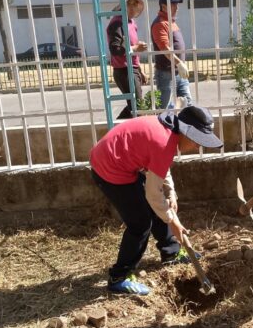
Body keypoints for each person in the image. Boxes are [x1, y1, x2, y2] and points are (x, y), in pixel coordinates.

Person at [89, 105, 222, 295]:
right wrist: (172, 221)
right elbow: (153, 194)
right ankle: (119, 277)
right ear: (186, 132)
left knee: (159, 207)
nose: (198, 146)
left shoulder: (168, 129)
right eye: (197, 141)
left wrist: (171, 192)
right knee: (140, 223)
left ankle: (171, 252)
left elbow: (160, 167)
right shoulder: (164, 142)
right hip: (109, 168)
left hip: (119, 161)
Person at [107, 0, 148, 120]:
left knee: (134, 105)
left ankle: (115, 129)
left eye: (135, 4)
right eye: (129, 4)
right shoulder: (117, 23)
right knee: (138, 106)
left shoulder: (131, 23)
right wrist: (136, 48)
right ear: (122, 6)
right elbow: (115, 49)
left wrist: (140, 70)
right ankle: (115, 130)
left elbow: (131, 50)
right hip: (123, 70)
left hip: (132, 68)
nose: (132, 8)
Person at [151, 0, 193, 109]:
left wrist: (180, 65)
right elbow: (165, 48)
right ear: (164, 7)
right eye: (173, 5)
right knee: (165, 109)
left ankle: (183, 127)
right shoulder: (159, 24)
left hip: (178, 72)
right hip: (166, 74)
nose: (177, 7)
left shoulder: (171, 22)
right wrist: (179, 63)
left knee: (188, 106)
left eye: (176, 4)